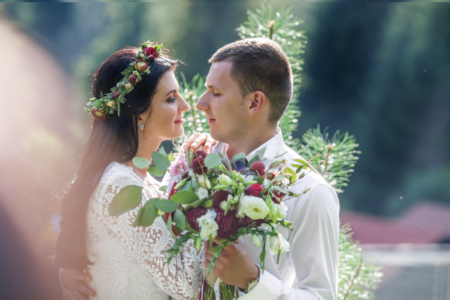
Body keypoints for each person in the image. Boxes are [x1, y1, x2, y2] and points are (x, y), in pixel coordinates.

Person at [61, 38, 340, 300]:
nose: (198, 103)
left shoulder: (308, 192)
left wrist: (253, 281)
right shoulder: (194, 160)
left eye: (215, 93)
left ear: (255, 102)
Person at [56, 43, 213, 300]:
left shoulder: (143, 180)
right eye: (171, 98)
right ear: (137, 114)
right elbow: (186, 286)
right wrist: (198, 190)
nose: (185, 105)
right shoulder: (119, 185)